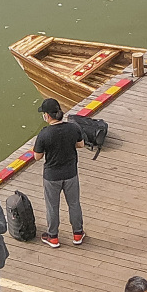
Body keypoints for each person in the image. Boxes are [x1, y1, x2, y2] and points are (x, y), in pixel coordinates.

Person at [34, 99, 86, 247]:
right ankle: (77, 234)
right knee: (74, 204)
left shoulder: (44, 134)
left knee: (52, 206)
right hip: (71, 174)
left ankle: (53, 237)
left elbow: (37, 157)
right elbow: (80, 144)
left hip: (52, 177)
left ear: (47, 116)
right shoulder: (73, 128)